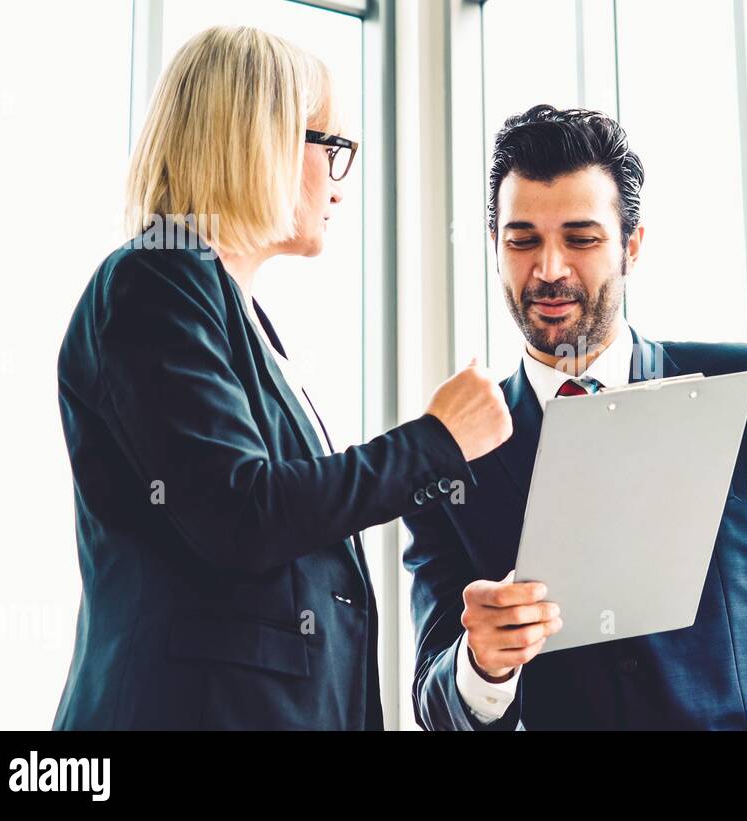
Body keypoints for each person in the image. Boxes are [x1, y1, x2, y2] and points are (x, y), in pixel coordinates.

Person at [52, 26, 511, 730]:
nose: (339, 179)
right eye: (333, 149)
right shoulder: (155, 282)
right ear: (259, 140)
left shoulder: (228, 311)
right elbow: (241, 513)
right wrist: (435, 441)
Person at [403, 105, 747, 730]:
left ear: (632, 245)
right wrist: (482, 666)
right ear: (495, 248)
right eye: (522, 239)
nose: (549, 270)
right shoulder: (448, 457)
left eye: (581, 239)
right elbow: (435, 703)